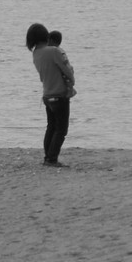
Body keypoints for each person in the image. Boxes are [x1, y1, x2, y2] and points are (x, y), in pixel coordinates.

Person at [25, 23, 76, 166]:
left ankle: (48, 157)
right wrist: (72, 80)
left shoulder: (36, 53)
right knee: (61, 129)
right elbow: (67, 70)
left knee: (51, 127)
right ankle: (52, 159)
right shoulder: (54, 51)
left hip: (47, 94)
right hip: (59, 94)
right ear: (45, 35)